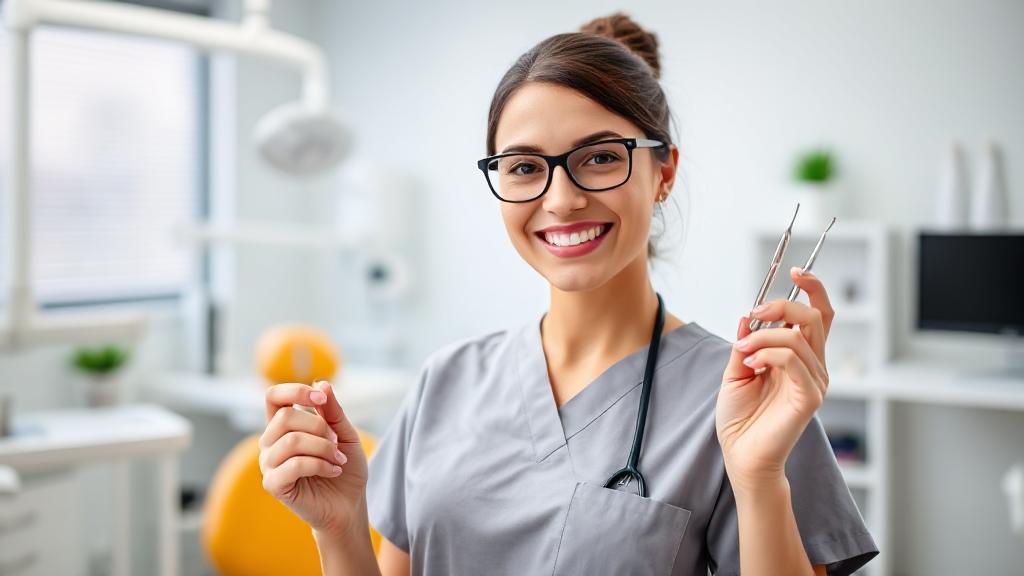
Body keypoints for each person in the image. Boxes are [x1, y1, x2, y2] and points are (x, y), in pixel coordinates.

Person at [258, 12, 879, 576]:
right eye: (525, 167)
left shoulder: (750, 394)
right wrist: (337, 529)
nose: (561, 199)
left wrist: (760, 475)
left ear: (663, 172)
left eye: (600, 157)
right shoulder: (444, 381)